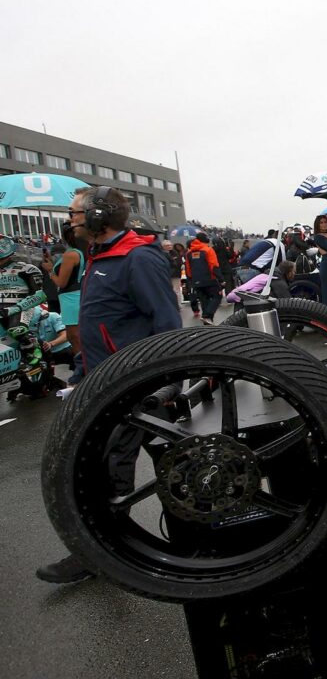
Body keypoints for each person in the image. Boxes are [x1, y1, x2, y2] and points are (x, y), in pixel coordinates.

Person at [37, 185, 182, 583]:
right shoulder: (101, 256)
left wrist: (166, 386)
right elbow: (98, 322)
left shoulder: (137, 258)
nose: (70, 220)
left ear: (99, 216)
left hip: (137, 389)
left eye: (75, 213)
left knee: (115, 471)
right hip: (106, 383)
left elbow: (168, 327)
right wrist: (82, 371)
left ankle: (98, 555)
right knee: (154, 467)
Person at [41, 227, 85, 358]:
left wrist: (50, 270)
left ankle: (82, 366)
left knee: (73, 336)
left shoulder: (70, 254)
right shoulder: (75, 253)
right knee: (75, 336)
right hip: (72, 297)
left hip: (70, 298)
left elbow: (61, 282)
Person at [0, 236, 47, 330]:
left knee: (17, 330)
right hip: (2, 311)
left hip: (23, 308)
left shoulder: (26, 269)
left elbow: (40, 295)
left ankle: (33, 343)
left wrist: (12, 309)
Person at [184, 231, 222, 324]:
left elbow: (188, 269)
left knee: (204, 300)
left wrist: (191, 279)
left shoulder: (189, 253)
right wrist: (221, 279)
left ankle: (207, 322)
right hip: (210, 279)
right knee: (217, 296)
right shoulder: (208, 250)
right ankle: (207, 316)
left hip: (196, 280)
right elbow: (214, 266)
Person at [226, 260, 295, 304]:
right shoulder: (276, 280)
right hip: (245, 305)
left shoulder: (269, 275)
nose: (295, 274)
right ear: (288, 272)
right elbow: (288, 303)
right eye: (294, 271)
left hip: (242, 301)